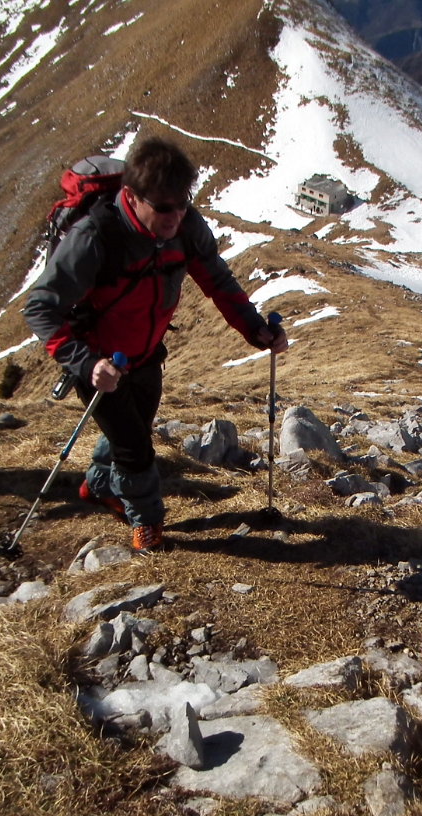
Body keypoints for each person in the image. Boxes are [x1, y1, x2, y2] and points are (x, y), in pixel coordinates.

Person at [23, 137, 287, 552]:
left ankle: (97, 487)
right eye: (164, 207)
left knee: (136, 428)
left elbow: (216, 280)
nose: (175, 215)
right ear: (131, 196)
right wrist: (85, 362)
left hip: (146, 355)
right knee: (134, 448)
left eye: (182, 203)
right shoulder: (97, 237)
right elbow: (40, 307)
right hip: (100, 364)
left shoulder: (186, 227)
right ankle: (147, 522)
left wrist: (256, 330)